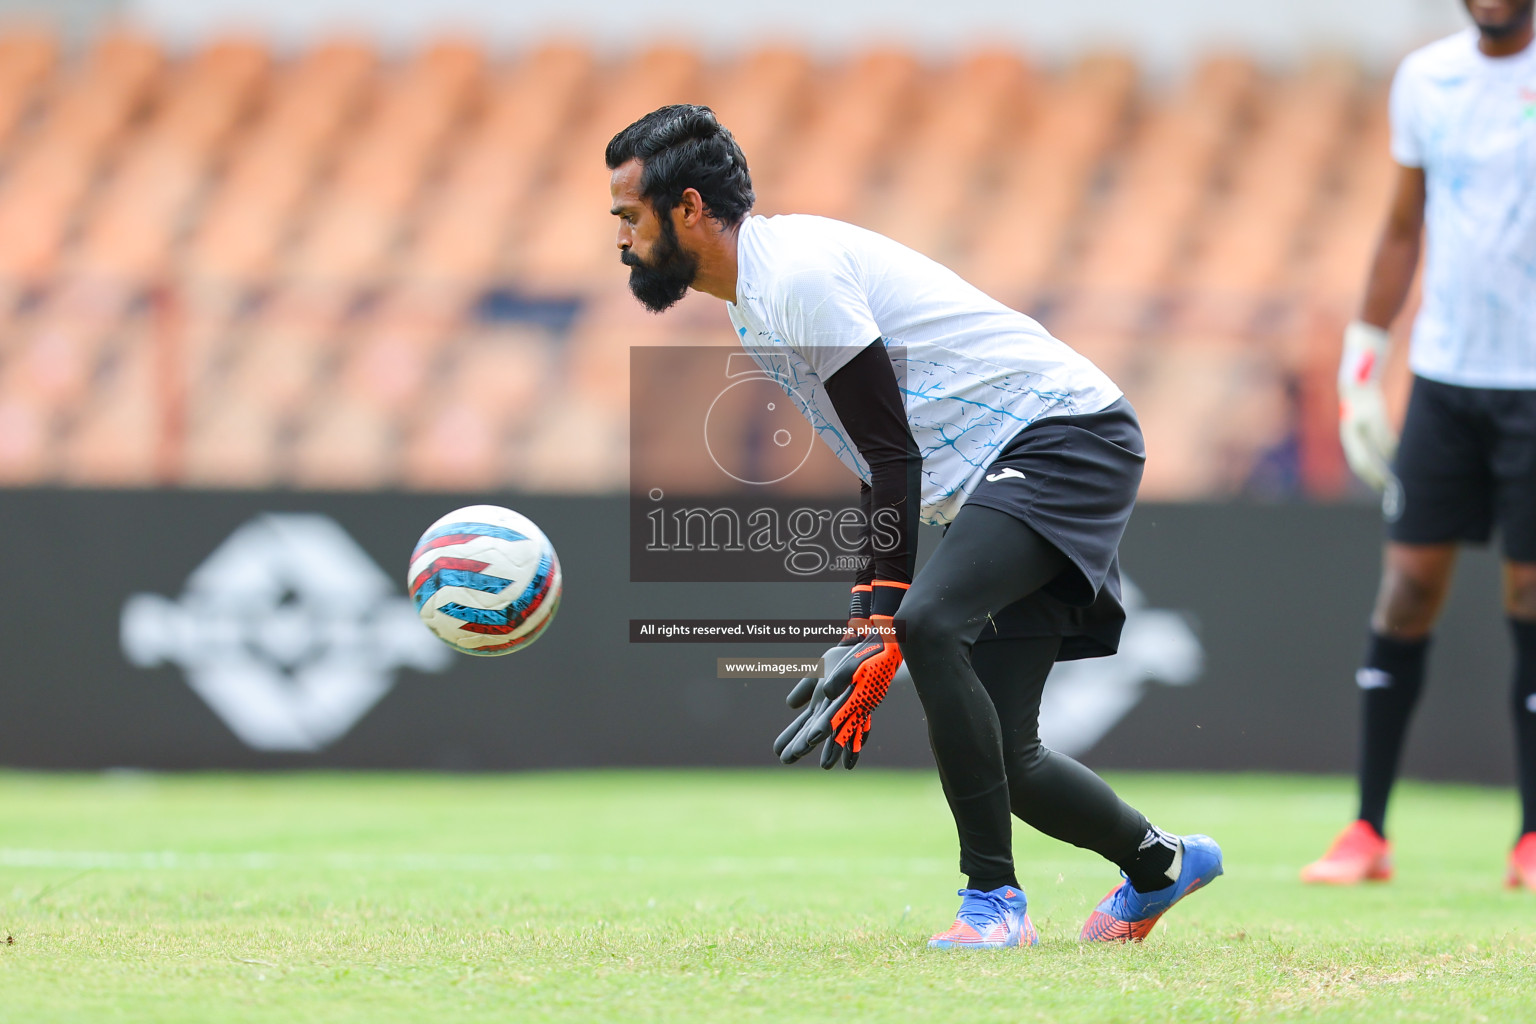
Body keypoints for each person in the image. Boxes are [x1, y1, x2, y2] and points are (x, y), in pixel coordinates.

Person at [605, 104, 1222, 946]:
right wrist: (869, 607)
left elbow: (893, 455)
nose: (620, 238)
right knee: (1009, 760)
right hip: (1008, 470)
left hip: (1063, 436)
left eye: (628, 216)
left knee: (929, 624)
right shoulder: (752, 304)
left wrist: (880, 615)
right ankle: (1161, 865)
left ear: (685, 209)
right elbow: (876, 459)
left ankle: (993, 905)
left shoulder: (795, 278)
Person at [1304, 0, 1536, 888]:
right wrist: (1363, 363)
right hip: (1446, 380)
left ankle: (1529, 839)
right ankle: (1366, 831)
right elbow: (1403, 226)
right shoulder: (1427, 78)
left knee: (1529, 599)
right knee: (1405, 594)